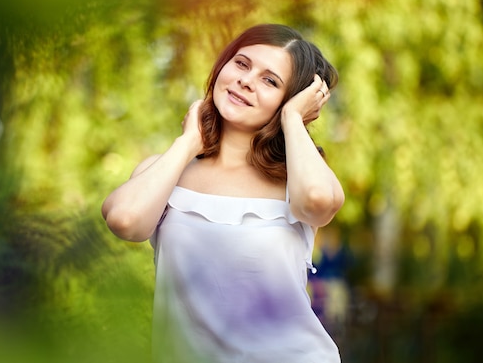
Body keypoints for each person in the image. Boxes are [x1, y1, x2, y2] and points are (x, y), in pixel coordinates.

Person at [102, 24, 345, 363]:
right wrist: (188, 142)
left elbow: (319, 201)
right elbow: (125, 221)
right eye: (242, 64)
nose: (246, 80)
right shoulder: (166, 169)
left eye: (270, 80)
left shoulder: (299, 178)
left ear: (290, 99)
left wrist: (292, 118)